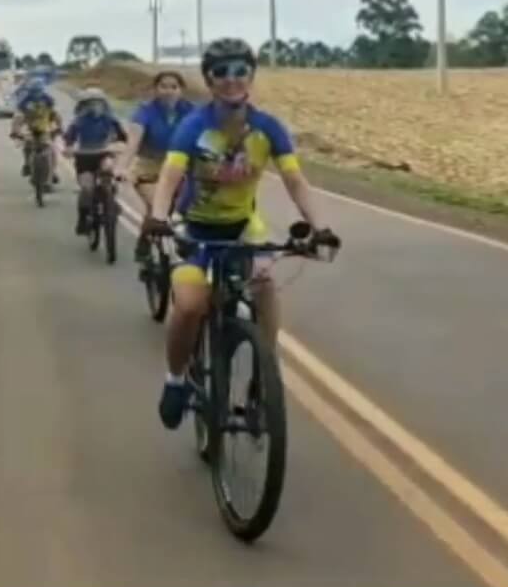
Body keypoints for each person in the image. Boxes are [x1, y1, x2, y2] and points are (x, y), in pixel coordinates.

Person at [141, 39, 337, 431]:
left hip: (244, 226)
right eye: (221, 72)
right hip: (195, 227)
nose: (232, 79)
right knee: (190, 305)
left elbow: (295, 181)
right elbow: (170, 176)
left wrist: (320, 228)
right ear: (209, 80)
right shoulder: (194, 126)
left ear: (251, 76)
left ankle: (265, 372)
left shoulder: (268, 128)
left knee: (263, 284)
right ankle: (176, 379)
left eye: (240, 71)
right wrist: (158, 216)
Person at [118, 70, 196, 267]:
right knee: (159, 206)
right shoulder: (145, 111)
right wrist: (122, 167)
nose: (168, 91)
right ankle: (147, 245)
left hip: (182, 168)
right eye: (163, 86)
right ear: (155, 89)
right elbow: (133, 142)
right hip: (149, 169)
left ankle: (183, 245)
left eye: (174, 87)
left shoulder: (191, 111)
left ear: (181, 90)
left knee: (193, 210)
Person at [61, 87, 129, 237]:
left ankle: (111, 200)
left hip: (104, 153)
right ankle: (82, 218)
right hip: (84, 157)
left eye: (98, 102)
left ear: (104, 103)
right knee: (87, 189)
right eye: (90, 103)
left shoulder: (110, 120)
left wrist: (120, 146)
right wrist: (69, 148)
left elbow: (123, 137)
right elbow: (69, 138)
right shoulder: (78, 121)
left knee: (108, 170)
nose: (95, 106)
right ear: (84, 105)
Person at [10, 77, 62, 182]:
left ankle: (53, 171)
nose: (36, 94)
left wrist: (59, 128)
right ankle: (27, 164)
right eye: (34, 91)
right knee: (27, 145)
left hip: (45, 128)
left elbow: (56, 115)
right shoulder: (24, 101)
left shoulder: (48, 100)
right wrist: (15, 131)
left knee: (52, 149)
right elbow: (18, 117)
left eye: (38, 91)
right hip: (30, 128)